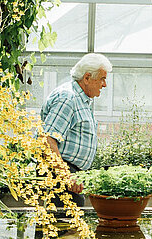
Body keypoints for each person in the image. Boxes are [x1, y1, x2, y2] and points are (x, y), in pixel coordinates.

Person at [40, 53, 112, 207]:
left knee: (70, 229)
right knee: (60, 228)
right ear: (87, 78)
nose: (104, 84)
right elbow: (47, 140)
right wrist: (66, 175)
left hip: (71, 177)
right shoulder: (68, 98)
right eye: (102, 79)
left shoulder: (82, 100)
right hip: (60, 177)